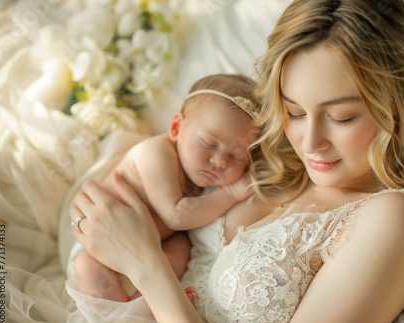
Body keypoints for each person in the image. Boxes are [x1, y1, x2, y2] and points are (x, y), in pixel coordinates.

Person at [69, 0, 404, 323]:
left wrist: (144, 263)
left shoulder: (396, 218)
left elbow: (148, 262)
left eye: (342, 117)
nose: (309, 142)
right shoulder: (266, 163)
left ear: (395, 109)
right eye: (294, 112)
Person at [68, 73, 261, 302]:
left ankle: (149, 305)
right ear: (177, 127)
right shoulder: (155, 153)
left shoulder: (201, 175)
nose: (220, 161)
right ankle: (116, 317)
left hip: (152, 250)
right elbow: (176, 215)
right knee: (87, 266)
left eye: (237, 156)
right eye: (209, 143)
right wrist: (231, 193)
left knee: (180, 248)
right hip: (99, 241)